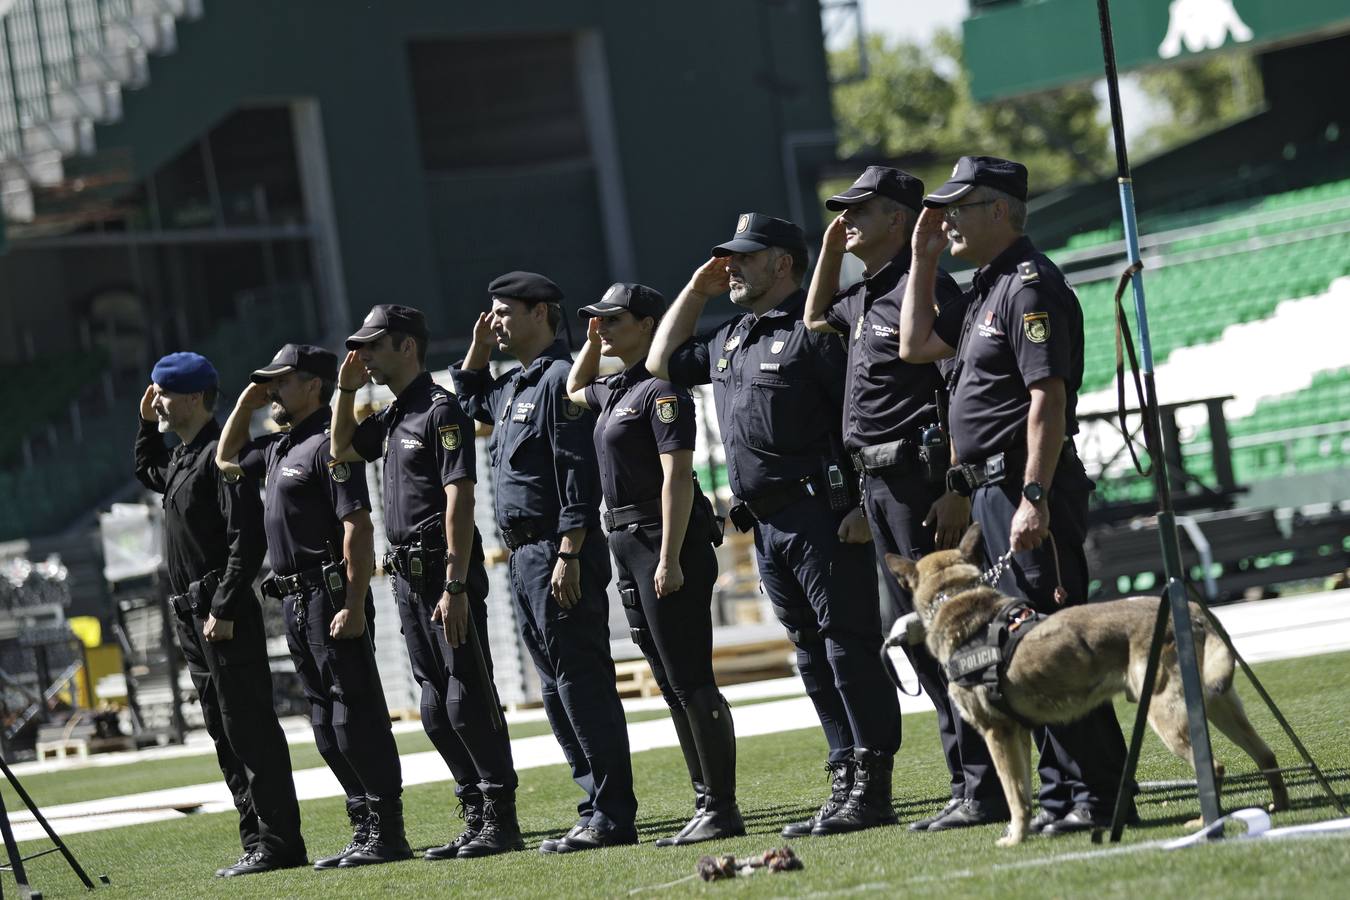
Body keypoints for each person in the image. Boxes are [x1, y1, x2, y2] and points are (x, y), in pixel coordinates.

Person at [897, 155, 1136, 836]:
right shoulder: (985, 287)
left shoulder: (1030, 287)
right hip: (992, 491)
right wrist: (921, 259)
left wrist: (1033, 495)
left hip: (1026, 487)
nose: (945, 221)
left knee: (1056, 643)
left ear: (998, 209)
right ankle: (1062, 795)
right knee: (1018, 653)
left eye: (958, 209)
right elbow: (914, 344)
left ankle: (1102, 791)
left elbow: (1046, 399)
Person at [648, 214, 901, 838]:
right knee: (812, 654)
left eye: (745, 256)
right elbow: (659, 362)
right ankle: (844, 774)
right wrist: (696, 289)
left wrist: (864, 506)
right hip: (766, 524)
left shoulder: (816, 333)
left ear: (782, 263)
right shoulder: (731, 335)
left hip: (823, 514)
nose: (731, 265)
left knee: (848, 647)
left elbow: (861, 421)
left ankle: (873, 785)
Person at [803, 166, 1006, 832]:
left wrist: (956, 485)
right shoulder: (864, 295)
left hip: (922, 487)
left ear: (898, 218)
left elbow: (957, 391)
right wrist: (831, 250)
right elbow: (811, 317)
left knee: (955, 636)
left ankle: (983, 786)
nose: (848, 219)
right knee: (921, 641)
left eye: (860, 210)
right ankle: (964, 782)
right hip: (879, 486)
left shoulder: (929, 291)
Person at [450, 272, 638, 853]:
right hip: (523, 556)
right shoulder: (512, 386)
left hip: (557, 550)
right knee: (556, 687)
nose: (496, 322)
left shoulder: (561, 380)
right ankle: (592, 804)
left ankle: (610, 810)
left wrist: (570, 551)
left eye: (505, 312)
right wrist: (478, 352)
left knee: (581, 682)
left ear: (541, 313)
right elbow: (467, 402)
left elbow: (577, 472)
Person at [331, 304, 523, 859]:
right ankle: (474, 809)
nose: (363, 355)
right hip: (405, 579)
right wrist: (344, 393)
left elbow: (459, 497)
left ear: (407, 346)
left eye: (374, 345)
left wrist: (457, 584)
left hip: (443, 573)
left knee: (466, 696)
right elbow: (342, 449)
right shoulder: (392, 416)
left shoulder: (440, 410)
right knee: (436, 706)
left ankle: (499, 817)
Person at [215, 343, 411, 867]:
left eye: (283, 380)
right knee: (325, 727)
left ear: (314, 386)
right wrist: (248, 400)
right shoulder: (280, 446)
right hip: (296, 603)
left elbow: (357, 527)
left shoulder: (330, 444)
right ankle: (363, 827)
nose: (274, 389)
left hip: (329, 597)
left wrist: (354, 601)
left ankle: (387, 833)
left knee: (356, 717)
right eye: (271, 381)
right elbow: (226, 456)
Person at [564, 283, 744, 847]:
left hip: (660, 540)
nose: (604, 329)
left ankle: (722, 806)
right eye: (599, 321)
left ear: (647, 324)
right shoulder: (615, 389)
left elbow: (676, 477)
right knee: (670, 684)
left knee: (692, 680)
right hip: (627, 541)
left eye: (614, 321)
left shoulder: (660, 393)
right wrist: (592, 344)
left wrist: (668, 556)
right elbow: (573, 388)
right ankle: (703, 803)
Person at [134, 352, 306, 877]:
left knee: (248, 728)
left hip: (219, 613)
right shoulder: (185, 457)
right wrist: (146, 424)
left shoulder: (218, 454)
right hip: (194, 618)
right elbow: (147, 468)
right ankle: (256, 839)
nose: (157, 400)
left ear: (192, 398)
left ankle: (279, 843)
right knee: (222, 730)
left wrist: (226, 606)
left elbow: (245, 538)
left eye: (164, 393)